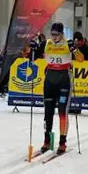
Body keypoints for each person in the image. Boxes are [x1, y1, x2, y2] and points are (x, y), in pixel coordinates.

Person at [34, 21, 75, 156]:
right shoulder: (47, 43)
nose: (54, 37)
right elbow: (33, 57)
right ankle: (47, 141)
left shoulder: (67, 44)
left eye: (57, 34)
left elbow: (81, 59)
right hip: (50, 79)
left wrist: (75, 49)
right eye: (52, 34)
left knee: (62, 112)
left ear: (62, 34)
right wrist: (32, 49)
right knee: (48, 112)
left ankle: (62, 142)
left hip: (63, 79)